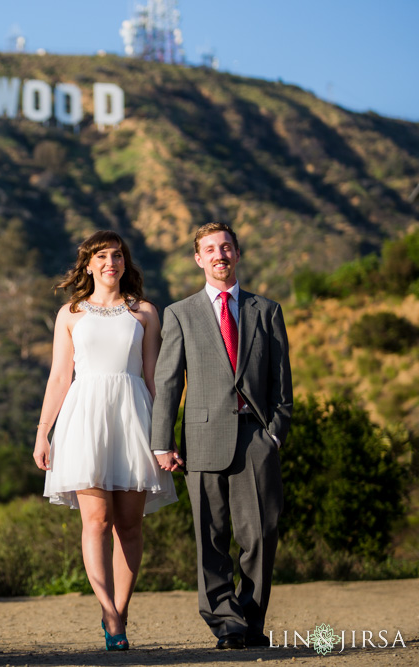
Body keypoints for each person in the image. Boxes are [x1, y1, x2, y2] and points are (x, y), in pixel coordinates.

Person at [150, 222, 292, 650]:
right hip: (203, 439)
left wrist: (275, 436)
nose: (219, 255)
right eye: (210, 249)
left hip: (256, 439)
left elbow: (282, 387)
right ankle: (226, 624)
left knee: (261, 536)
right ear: (198, 258)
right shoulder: (180, 313)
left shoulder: (266, 310)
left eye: (226, 247)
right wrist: (163, 441)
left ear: (237, 253)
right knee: (210, 538)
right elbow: (169, 382)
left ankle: (250, 621)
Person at [33, 230, 177, 652]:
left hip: (134, 419)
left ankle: (121, 609)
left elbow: (155, 379)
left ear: (125, 263)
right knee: (96, 522)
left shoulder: (146, 313)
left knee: (129, 525)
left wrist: (165, 436)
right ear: (89, 264)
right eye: (101, 256)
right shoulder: (71, 314)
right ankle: (110, 617)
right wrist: (43, 432)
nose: (110, 262)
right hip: (84, 421)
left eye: (117, 255)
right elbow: (60, 377)